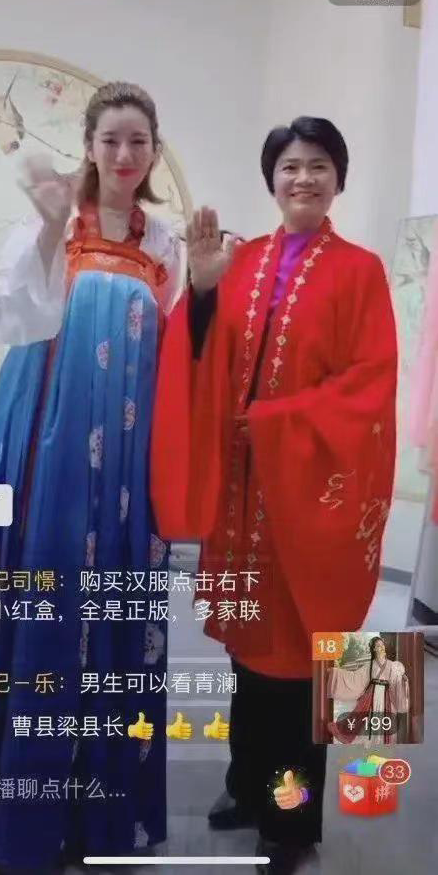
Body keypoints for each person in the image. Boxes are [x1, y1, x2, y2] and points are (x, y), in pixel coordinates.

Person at [0, 82, 181, 874]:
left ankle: (88, 819)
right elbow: (17, 321)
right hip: (41, 442)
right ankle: (1, 822)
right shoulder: (55, 221)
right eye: (110, 140)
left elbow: (168, 357)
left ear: (153, 151)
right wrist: (43, 226)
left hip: (123, 465)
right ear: (88, 146)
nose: (124, 155)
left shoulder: (164, 242)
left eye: (138, 141)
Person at [151, 117, 398, 875]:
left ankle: (290, 823)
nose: (303, 178)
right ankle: (246, 784)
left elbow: (369, 383)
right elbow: (199, 354)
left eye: (318, 165)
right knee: (248, 656)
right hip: (244, 496)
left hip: (313, 498)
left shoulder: (360, 270)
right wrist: (199, 290)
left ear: (338, 178)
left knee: (307, 668)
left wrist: (275, 420)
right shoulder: (243, 259)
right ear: (271, 179)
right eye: (290, 166)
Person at [326, 636, 409, 746]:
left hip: (386, 697)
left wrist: (403, 680)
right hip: (371, 696)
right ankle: (370, 744)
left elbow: (395, 681)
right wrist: (335, 672)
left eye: (382, 645)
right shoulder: (369, 665)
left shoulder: (392, 665)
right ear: (374, 649)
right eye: (378, 646)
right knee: (367, 720)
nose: (381, 647)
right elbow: (355, 677)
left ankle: (382, 744)